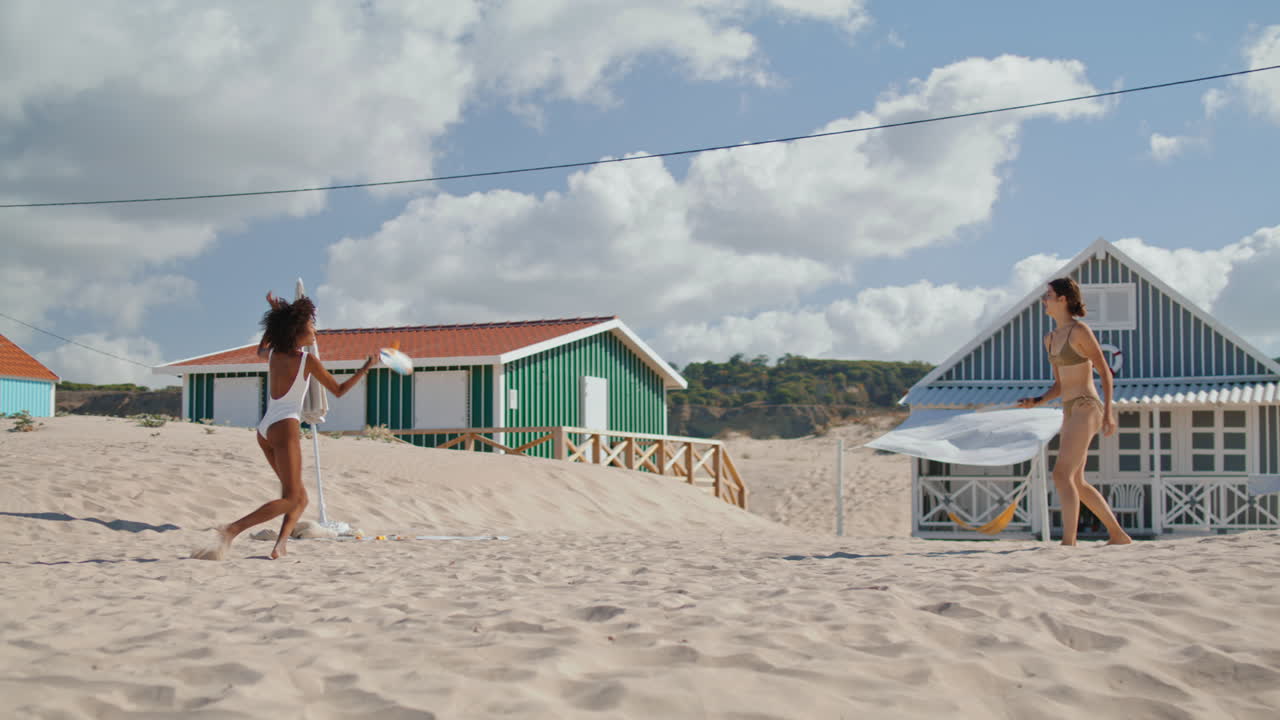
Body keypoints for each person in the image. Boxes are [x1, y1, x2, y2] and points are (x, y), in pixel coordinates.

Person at [193, 292, 373, 560]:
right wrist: (365, 369)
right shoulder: (306, 360)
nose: (314, 332)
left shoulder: (275, 353)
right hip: (285, 428)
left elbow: (259, 350)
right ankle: (231, 530)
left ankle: (280, 545)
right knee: (291, 498)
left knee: (299, 497)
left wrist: (277, 313)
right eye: (311, 328)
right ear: (297, 331)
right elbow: (338, 390)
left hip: (265, 429)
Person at [1018, 277, 1132, 546]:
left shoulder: (1079, 331)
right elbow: (1059, 384)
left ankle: (1068, 542)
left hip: (1087, 405)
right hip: (1068, 409)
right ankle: (1118, 535)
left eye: (1048, 295)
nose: (1044, 300)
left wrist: (1108, 413)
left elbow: (1104, 371)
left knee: (1061, 474)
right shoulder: (1049, 339)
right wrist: (1037, 400)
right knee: (1077, 481)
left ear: (1063, 299)